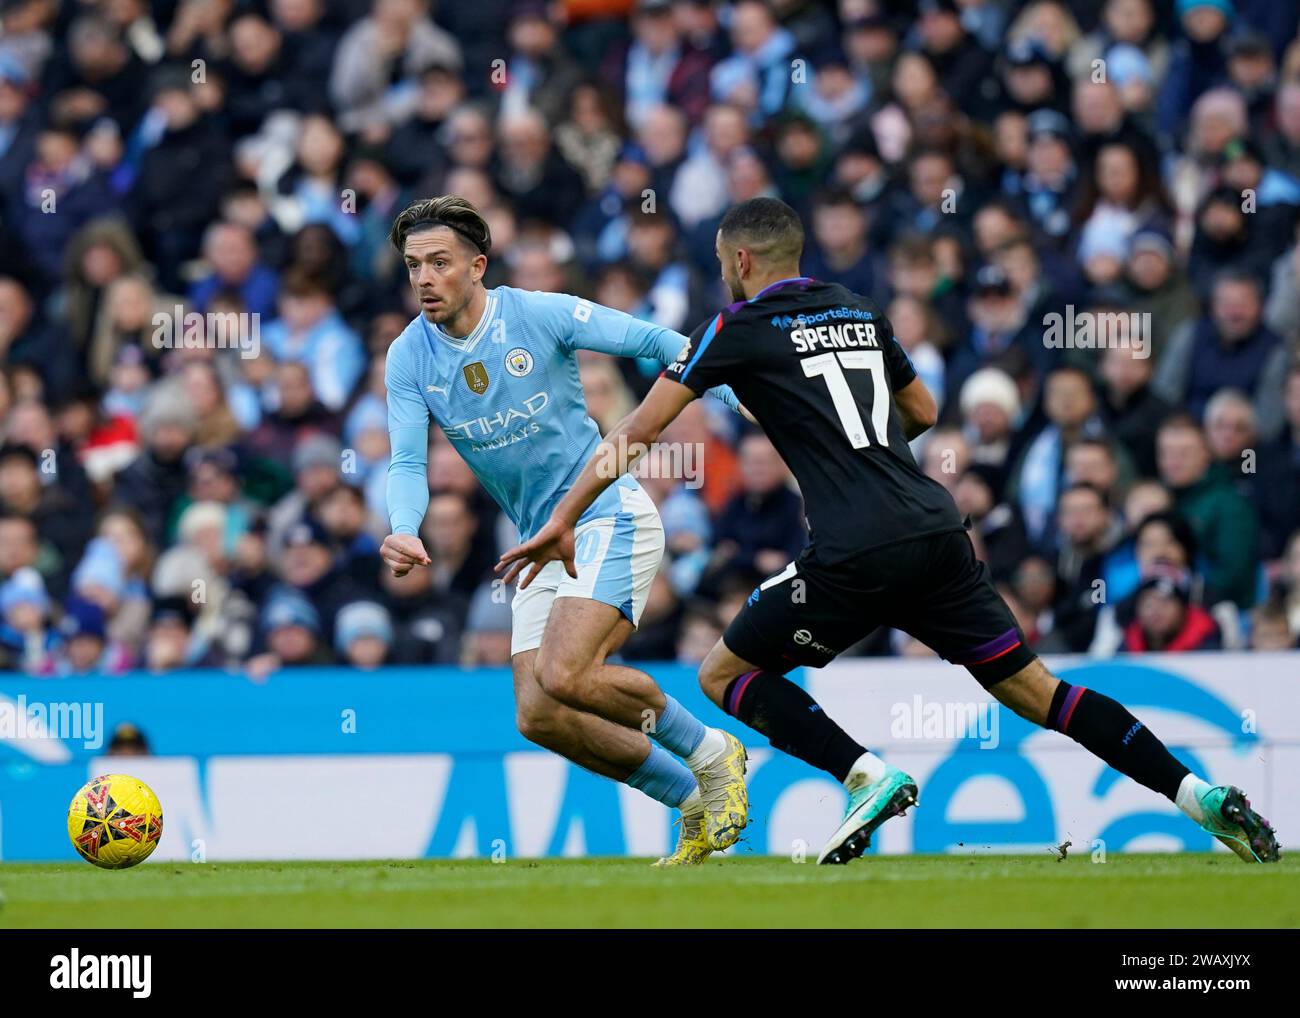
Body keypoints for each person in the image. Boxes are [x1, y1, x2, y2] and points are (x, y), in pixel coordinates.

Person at [499, 196, 1280, 866]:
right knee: (1044, 693)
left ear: (739, 259)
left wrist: (562, 517)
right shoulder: (857, 308)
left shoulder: (734, 326)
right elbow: (923, 414)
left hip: (853, 546)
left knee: (724, 675)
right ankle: (1198, 794)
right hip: (937, 530)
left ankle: (864, 774)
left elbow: (635, 430)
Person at [380, 195, 748, 867]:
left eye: (439, 263)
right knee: (538, 713)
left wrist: (739, 397)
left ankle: (714, 753)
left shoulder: (536, 313)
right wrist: (403, 526)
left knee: (568, 672)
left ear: (477, 266)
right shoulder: (409, 358)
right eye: (413, 267)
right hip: (540, 540)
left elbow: (656, 342)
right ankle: (690, 801)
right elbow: (406, 459)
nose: (424, 279)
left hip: (606, 514)